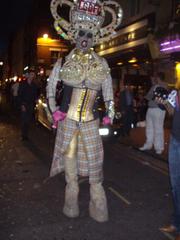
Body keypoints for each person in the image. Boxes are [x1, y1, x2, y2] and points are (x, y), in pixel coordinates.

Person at [47, 0, 123, 222]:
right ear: (74, 35)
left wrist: (109, 113)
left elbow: (108, 92)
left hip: (90, 123)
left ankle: (99, 208)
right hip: (68, 123)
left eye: (89, 35)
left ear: (94, 38)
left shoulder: (102, 64)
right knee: (70, 170)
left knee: (95, 169)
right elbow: (51, 88)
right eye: (81, 33)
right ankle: (71, 206)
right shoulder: (63, 62)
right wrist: (55, 111)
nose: (85, 38)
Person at [157, 86, 180, 240]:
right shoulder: (177, 92)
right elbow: (172, 113)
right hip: (175, 140)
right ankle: (177, 223)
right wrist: (165, 103)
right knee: (175, 185)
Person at [139, 72, 167, 154]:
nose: (154, 79)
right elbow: (147, 97)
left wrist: (152, 96)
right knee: (149, 128)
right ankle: (148, 144)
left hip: (158, 109)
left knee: (158, 128)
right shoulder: (154, 86)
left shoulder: (163, 86)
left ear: (159, 78)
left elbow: (151, 97)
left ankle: (159, 147)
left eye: (155, 77)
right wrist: (153, 96)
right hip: (151, 109)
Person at [18, 69, 37, 141]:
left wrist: (35, 99)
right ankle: (23, 135)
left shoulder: (34, 85)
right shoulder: (23, 83)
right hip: (24, 104)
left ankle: (26, 135)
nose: (32, 76)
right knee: (24, 120)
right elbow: (19, 94)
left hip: (30, 105)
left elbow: (35, 95)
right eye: (31, 74)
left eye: (33, 75)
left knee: (28, 120)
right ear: (28, 75)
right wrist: (22, 105)